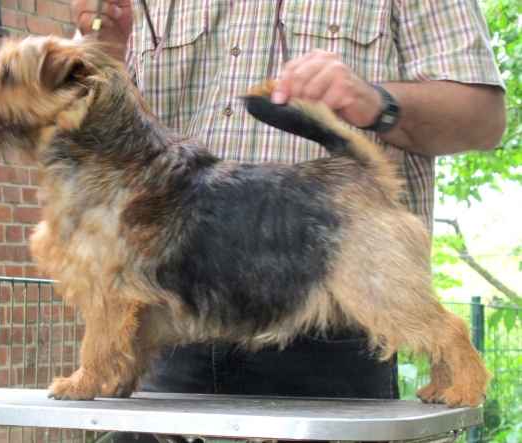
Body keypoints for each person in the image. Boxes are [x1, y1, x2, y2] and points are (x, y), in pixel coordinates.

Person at [70, 0, 506, 400]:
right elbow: (121, 142)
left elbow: (484, 120)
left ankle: (462, 369)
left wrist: (376, 101)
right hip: (177, 330)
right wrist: (111, 50)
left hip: (335, 335)